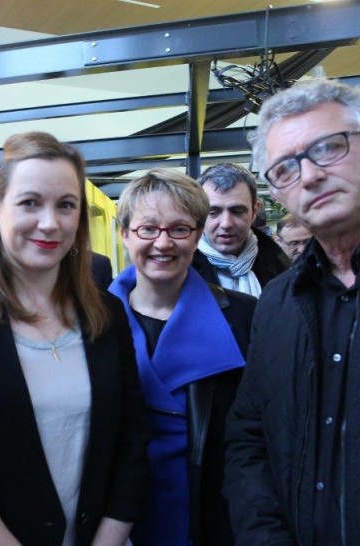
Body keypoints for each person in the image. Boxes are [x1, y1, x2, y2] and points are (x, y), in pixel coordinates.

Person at [0, 132, 149, 545]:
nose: (50, 223)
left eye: (65, 206)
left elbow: (132, 442)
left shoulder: (105, 311)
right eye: (30, 202)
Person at [224, 79, 360, 545]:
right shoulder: (277, 303)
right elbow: (248, 439)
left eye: (327, 148)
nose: (310, 176)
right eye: (285, 169)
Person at [108, 169, 256, 546]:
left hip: (209, 517)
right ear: (124, 233)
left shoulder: (246, 317)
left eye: (179, 229)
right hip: (113, 519)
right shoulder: (89, 321)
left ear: (197, 234)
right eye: (147, 229)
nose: (163, 243)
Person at [192, 163, 290, 297]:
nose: (226, 224)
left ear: (254, 211)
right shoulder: (179, 272)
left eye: (237, 211)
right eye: (213, 212)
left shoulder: (281, 268)